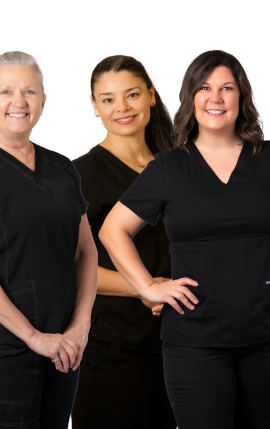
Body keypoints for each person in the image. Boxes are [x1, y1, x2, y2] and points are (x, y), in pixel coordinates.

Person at [98, 50, 270, 429]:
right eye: (204, 88)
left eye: (227, 88)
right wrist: (147, 286)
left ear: (241, 97)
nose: (215, 98)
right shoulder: (169, 168)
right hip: (194, 339)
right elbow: (113, 230)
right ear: (190, 98)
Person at [0, 50, 96, 429]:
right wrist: (33, 338)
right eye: (5, 92)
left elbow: (86, 252)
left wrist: (79, 327)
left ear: (43, 101)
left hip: (63, 348)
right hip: (3, 350)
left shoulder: (62, 168)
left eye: (29, 92)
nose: (18, 102)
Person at [72, 54, 179, 429]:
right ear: (95, 106)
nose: (122, 108)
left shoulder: (180, 164)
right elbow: (69, 268)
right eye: (108, 99)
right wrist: (145, 289)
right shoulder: (81, 175)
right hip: (113, 348)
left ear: (151, 95)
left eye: (132, 95)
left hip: (181, 342)